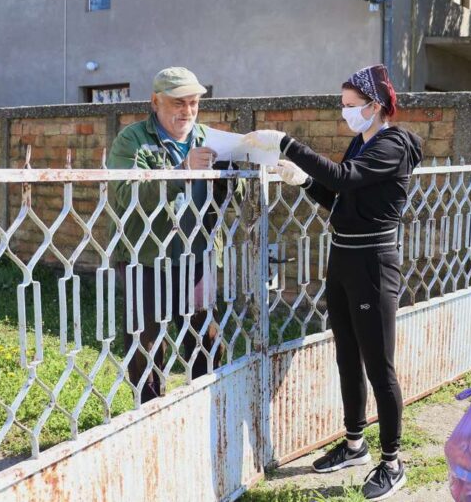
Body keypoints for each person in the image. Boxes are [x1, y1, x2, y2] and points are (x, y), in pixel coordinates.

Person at [243, 64, 422, 501]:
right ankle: (355, 444)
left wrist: (288, 144)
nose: (345, 113)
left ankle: (392, 462)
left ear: (375, 106)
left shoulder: (393, 145)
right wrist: (305, 181)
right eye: (342, 105)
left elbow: (343, 179)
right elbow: (339, 197)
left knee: (379, 366)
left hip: (373, 262)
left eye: (350, 105)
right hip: (343, 257)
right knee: (346, 356)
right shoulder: (362, 142)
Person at [108, 67, 232, 404]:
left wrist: (233, 174)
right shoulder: (133, 139)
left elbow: (230, 198)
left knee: (205, 336)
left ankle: (204, 407)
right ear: (155, 102)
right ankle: (149, 412)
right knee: (146, 342)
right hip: (145, 256)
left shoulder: (209, 139)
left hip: (196, 254)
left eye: (193, 103)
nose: (187, 111)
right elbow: (126, 194)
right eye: (178, 103)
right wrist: (181, 171)